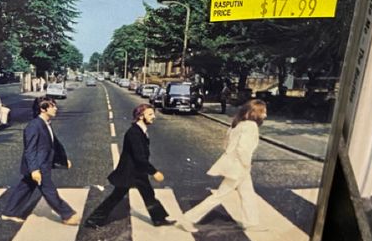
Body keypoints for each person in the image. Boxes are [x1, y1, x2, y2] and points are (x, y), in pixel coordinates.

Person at [180, 98, 267, 232]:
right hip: (239, 167)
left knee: (247, 193)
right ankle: (188, 218)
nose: (265, 115)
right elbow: (243, 149)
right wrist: (246, 164)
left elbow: (226, 145)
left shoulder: (237, 124)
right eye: (263, 112)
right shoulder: (251, 126)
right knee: (220, 196)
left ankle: (251, 222)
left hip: (235, 165)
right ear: (255, 113)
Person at [84, 104, 173, 228]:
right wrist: (154, 172)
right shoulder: (134, 133)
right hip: (130, 172)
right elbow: (139, 158)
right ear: (141, 116)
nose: (153, 117)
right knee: (116, 196)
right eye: (150, 114)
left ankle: (159, 219)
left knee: (148, 194)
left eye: (153, 114)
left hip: (137, 172)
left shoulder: (140, 130)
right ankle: (93, 220)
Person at [2, 97, 79, 225]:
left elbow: (51, 146)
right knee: (49, 190)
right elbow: (30, 150)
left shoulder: (45, 124)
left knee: (25, 188)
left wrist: (63, 160)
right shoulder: (34, 126)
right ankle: (67, 215)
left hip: (42, 163)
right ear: (43, 109)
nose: (56, 108)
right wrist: (34, 170)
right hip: (38, 166)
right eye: (52, 106)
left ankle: (9, 213)